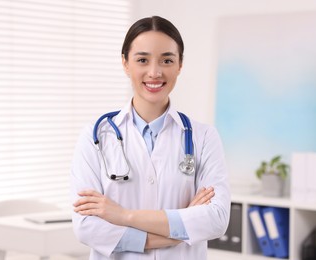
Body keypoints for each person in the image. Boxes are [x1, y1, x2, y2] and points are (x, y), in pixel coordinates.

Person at [70, 16, 230, 260]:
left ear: (180, 65)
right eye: (142, 60)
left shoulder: (204, 137)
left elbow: (216, 220)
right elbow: (87, 227)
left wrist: (123, 216)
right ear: (125, 63)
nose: (154, 73)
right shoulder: (96, 138)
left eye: (167, 60)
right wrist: (177, 231)